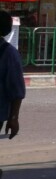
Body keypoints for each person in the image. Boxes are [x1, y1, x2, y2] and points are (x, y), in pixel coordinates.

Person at [1, 11, 26, 145]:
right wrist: (13, 117)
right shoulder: (9, 53)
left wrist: (13, 117)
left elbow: (17, 90)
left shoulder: (8, 53)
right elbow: (17, 89)